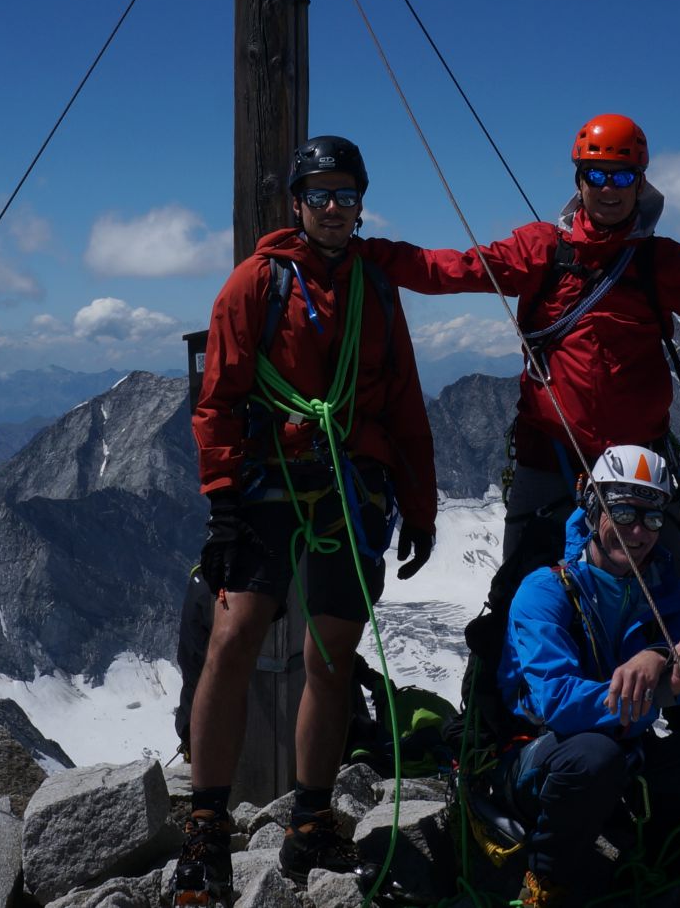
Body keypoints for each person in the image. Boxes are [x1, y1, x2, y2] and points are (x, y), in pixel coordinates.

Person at [356, 113, 680, 590]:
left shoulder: (660, 263)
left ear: (641, 182)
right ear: (579, 180)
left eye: (622, 175)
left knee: (666, 610)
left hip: (634, 462)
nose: (609, 188)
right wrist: (366, 252)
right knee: (520, 601)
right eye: (597, 174)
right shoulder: (542, 250)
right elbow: (452, 268)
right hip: (551, 459)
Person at [168, 136, 439, 907]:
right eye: (318, 193)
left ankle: (310, 816)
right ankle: (207, 829)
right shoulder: (256, 282)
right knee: (231, 640)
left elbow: (404, 406)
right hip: (264, 484)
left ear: (359, 204)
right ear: (296, 203)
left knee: (333, 654)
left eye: (344, 194)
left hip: (348, 483)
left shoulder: (376, 291)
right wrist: (222, 503)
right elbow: (217, 397)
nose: (331, 206)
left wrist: (418, 505)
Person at [495, 445, 680, 907]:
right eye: (622, 512)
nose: (637, 532)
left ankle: (654, 854)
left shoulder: (661, 587)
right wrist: (660, 686)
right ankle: (545, 883)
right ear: (593, 507)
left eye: (652, 519)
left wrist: (673, 661)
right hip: (538, 758)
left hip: (627, 755)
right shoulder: (546, 590)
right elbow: (557, 703)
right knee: (595, 757)